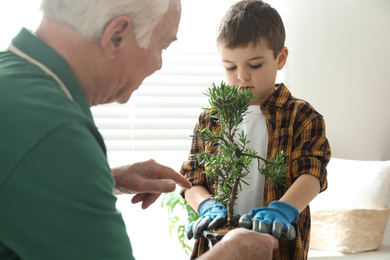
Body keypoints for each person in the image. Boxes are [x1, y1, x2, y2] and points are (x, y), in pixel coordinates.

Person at [0, 0, 278, 259]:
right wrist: (229, 254)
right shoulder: (55, 133)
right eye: (162, 46)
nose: (158, 64)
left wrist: (102, 179)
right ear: (117, 35)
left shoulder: (12, 80)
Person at [181, 0, 332, 259]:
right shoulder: (210, 119)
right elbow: (191, 179)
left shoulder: (301, 116)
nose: (242, 76)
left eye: (255, 65)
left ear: (280, 58)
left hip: (277, 245)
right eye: (230, 67)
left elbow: (312, 174)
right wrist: (205, 205)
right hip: (219, 245)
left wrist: (283, 209)